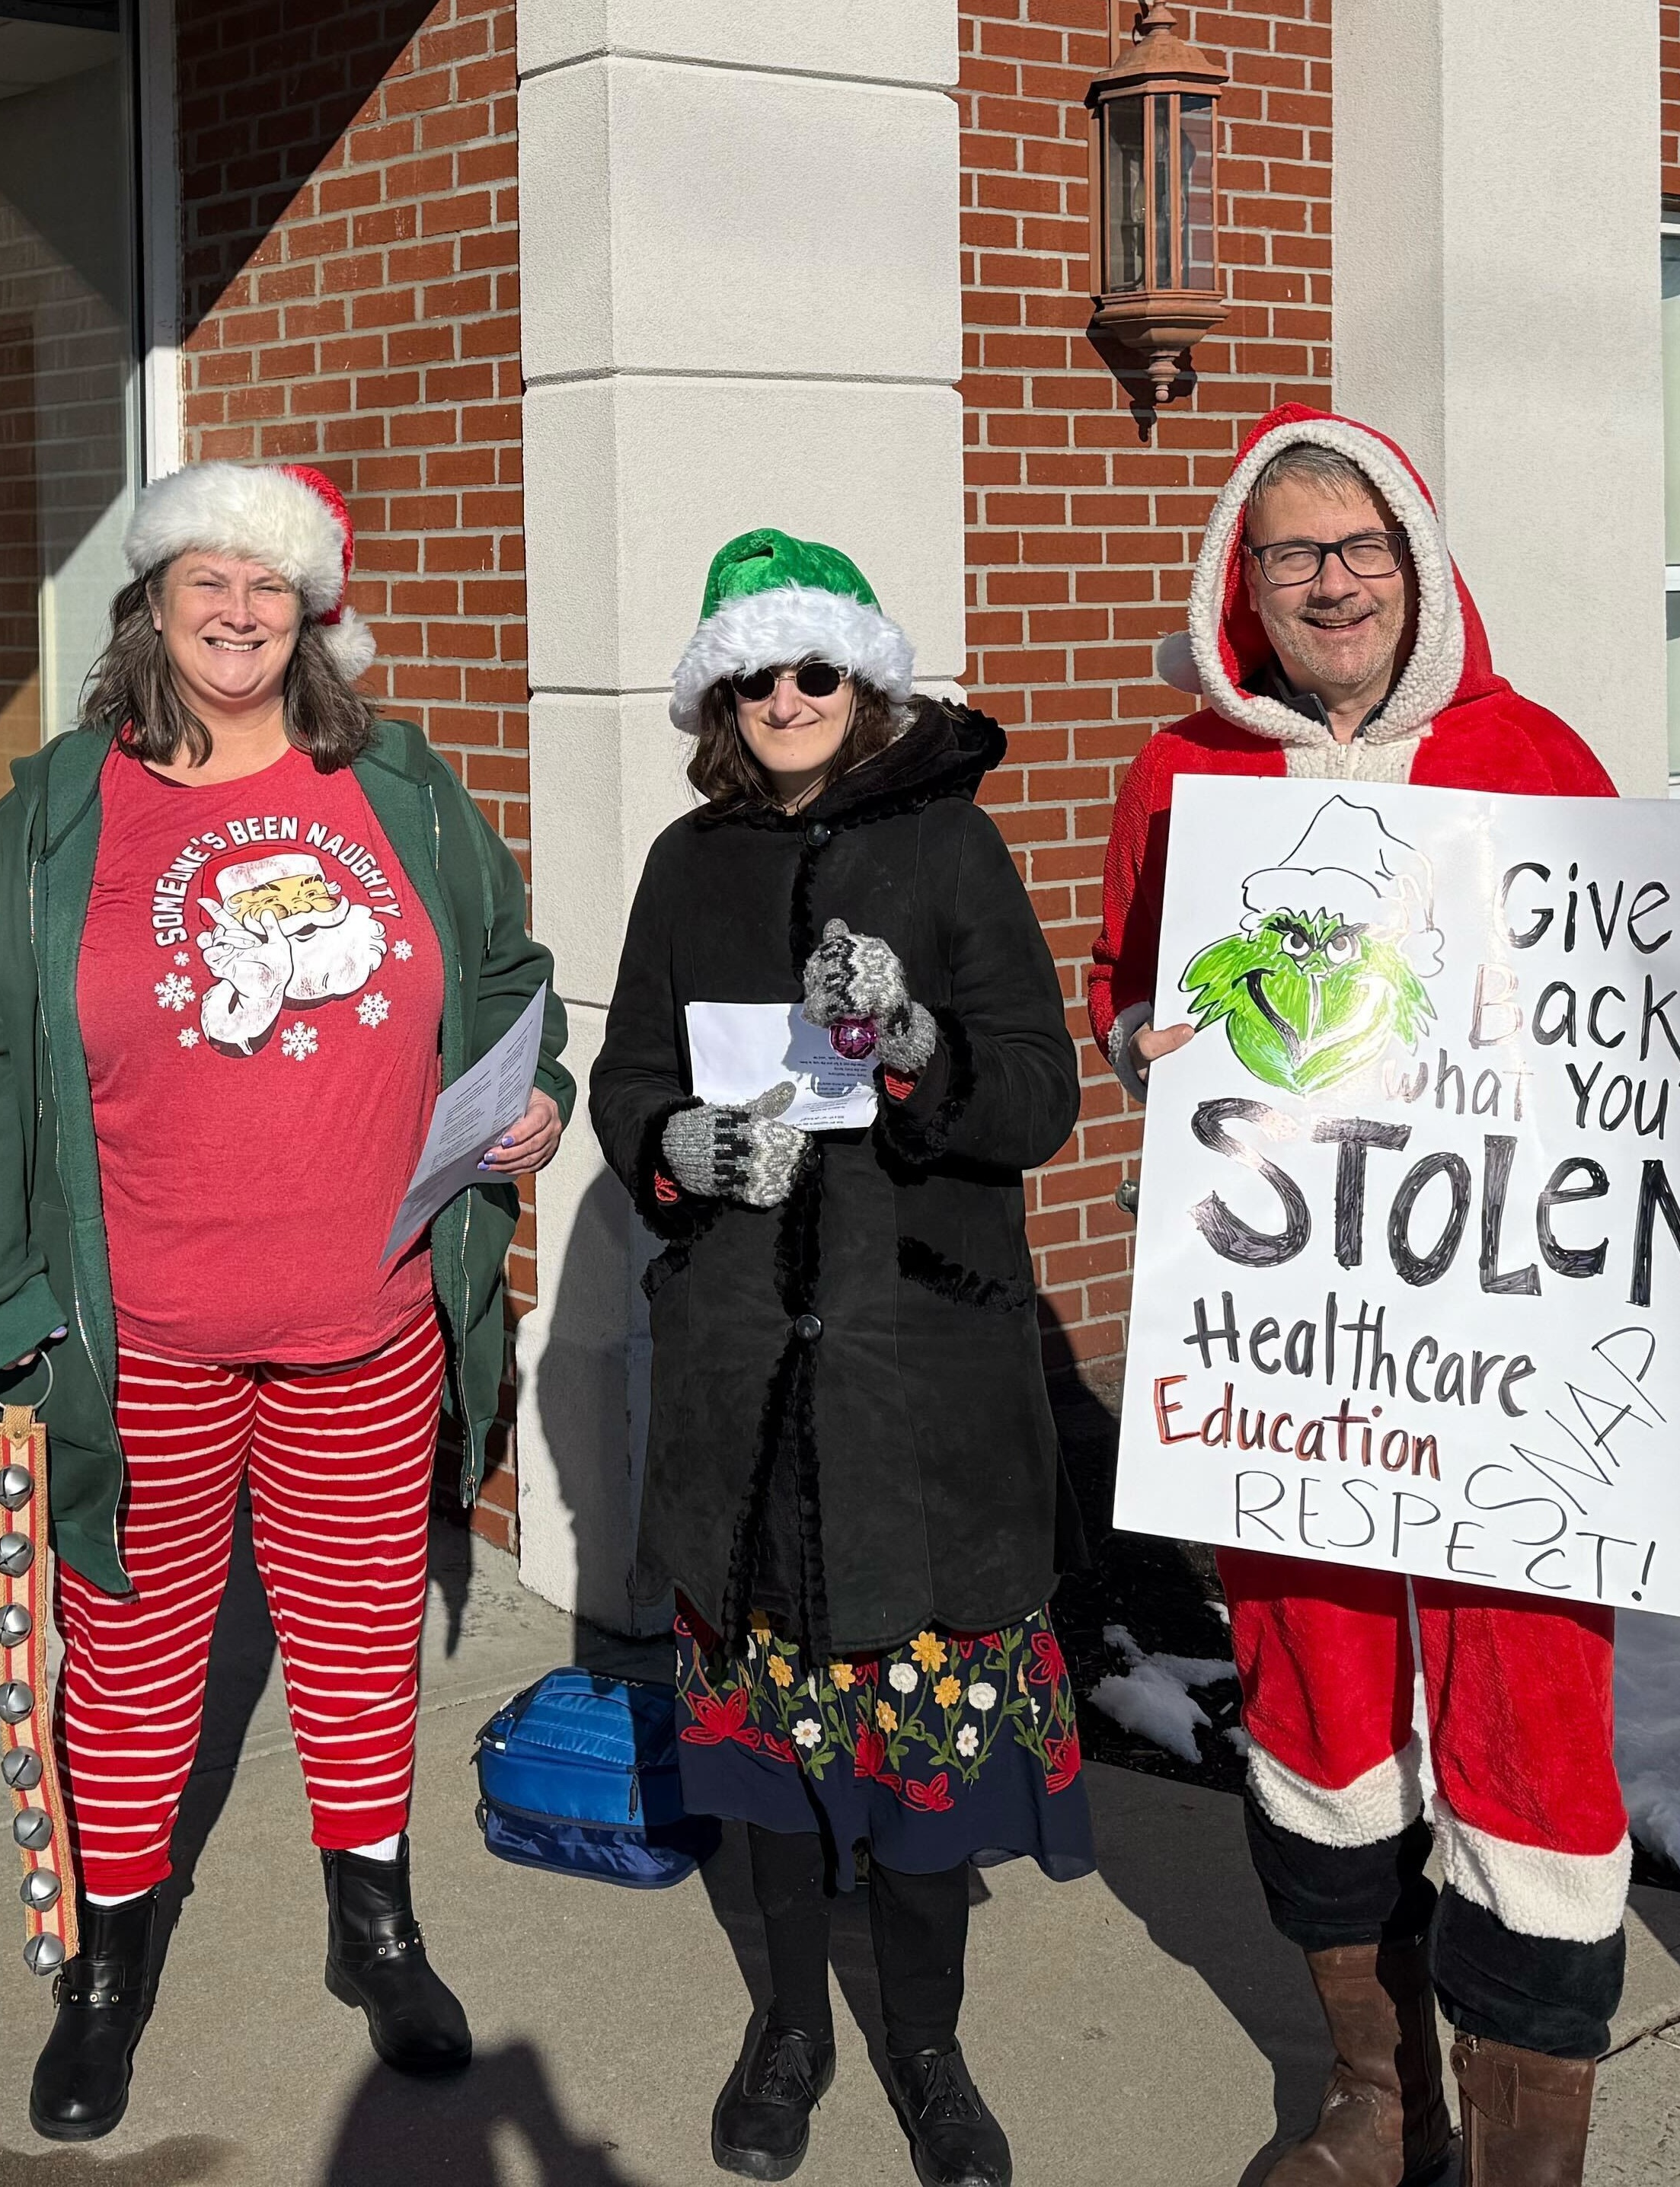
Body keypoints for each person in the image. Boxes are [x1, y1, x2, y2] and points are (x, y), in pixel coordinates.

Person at [1084, 404, 1680, 2187]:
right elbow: (1124, 978)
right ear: (1236, 585)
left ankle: (1521, 2154)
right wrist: (1142, 1040)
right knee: (1311, 1693)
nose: (1326, 584)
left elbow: (1641, 1016)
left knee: (1525, 1723)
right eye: (1286, 554)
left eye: (1358, 549)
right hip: (1298, 1343)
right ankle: (1367, 2090)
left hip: (1503, 1351)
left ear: (1416, 566)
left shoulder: (1531, 752)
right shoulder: (1183, 774)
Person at [0, 458, 569, 2142]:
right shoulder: (60, 811)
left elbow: (504, 975)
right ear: (154, 600)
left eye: (271, 586)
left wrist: (524, 1093)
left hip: (371, 1315)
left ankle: (375, 1923)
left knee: (356, 1643)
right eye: (209, 578)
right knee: (131, 1655)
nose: (240, 611)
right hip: (139, 1341)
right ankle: (109, 1966)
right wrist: (5, 1313)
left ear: (312, 610)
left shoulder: (398, 787)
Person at [590, 530, 1088, 2187]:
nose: (788, 698)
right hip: (745, 1366)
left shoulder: (950, 848)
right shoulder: (686, 861)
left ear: (862, 682)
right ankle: (790, 2023)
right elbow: (626, 1077)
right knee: (773, 1754)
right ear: (721, 696)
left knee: (925, 1754)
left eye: (815, 670)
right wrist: (676, 1142)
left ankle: (928, 2042)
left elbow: (1038, 1093)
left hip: (918, 1365)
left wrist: (928, 1052)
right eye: (756, 675)